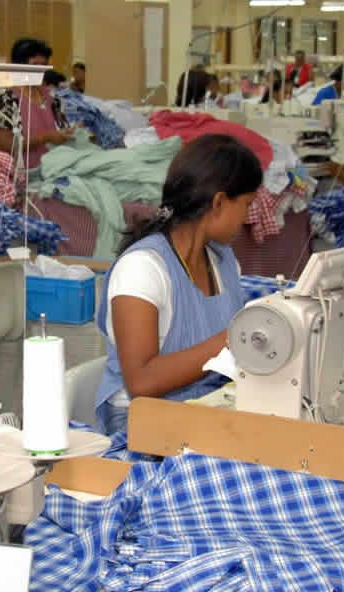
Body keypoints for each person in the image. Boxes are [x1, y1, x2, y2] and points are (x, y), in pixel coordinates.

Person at [93, 135, 262, 434]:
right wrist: (232, 339)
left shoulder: (222, 261)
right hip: (139, 423)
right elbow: (141, 381)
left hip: (204, 407)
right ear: (219, 202)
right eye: (247, 205)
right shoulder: (142, 269)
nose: (247, 218)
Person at [0, 37, 73, 169]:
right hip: (25, 174)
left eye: (43, 66)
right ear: (19, 65)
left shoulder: (52, 98)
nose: (40, 71)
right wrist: (44, 137)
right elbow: (5, 145)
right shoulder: (6, 101)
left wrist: (69, 132)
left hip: (56, 169)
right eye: (35, 65)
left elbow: (62, 128)